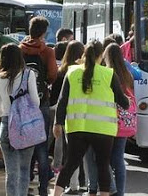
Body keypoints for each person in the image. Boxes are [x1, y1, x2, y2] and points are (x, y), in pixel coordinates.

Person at [52, 40, 129, 196]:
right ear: (101, 56)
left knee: (70, 164)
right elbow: (123, 103)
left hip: (77, 128)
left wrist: (58, 123)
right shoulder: (108, 74)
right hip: (103, 130)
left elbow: (62, 101)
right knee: (103, 165)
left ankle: (56, 194)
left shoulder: (72, 72)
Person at [87, 43, 137, 196]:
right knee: (119, 160)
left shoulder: (106, 73)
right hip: (124, 123)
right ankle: (119, 192)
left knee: (103, 158)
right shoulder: (127, 73)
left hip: (108, 121)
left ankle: (110, 189)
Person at [0, 43, 40, 196]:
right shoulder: (28, 74)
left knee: (11, 172)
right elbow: (36, 102)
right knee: (25, 169)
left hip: (7, 125)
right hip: (27, 126)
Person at [20, 16, 57, 196]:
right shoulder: (47, 51)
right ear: (44, 32)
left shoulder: (19, 49)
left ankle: (25, 184)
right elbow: (52, 75)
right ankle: (43, 189)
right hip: (41, 102)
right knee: (41, 145)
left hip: (21, 103)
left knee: (25, 145)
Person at [50, 40, 86, 195]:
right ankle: (83, 182)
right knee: (85, 154)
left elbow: (56, 98)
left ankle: (71, 184)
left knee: (69, 154)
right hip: (84, 116)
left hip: (66, 118)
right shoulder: (83, 72)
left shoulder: (62, 72)